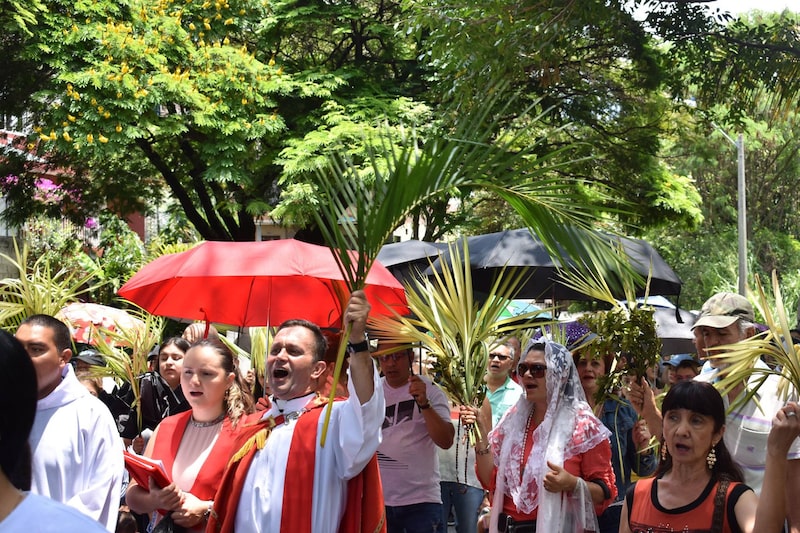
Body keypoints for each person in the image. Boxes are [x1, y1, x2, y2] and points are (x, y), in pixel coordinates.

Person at [207, 290, 386, 533]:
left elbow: (368, 410)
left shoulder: (333, 420)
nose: (280, 356)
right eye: (275, 350)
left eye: (293, 351)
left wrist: (357, 342)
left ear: (317, 369)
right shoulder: (252, 428)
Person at [628, 291, 800, 530]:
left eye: (722, 333)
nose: (712, 343)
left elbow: (793, 470)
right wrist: (648, 410)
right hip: (707, 521)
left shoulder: (781, 391)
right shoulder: (701, 386)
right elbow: (678, 444)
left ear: (748, 334)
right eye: (706, 334)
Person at [462, 339, 616, 532]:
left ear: (559, 376)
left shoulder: (584, 426)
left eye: (537, 369)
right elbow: (488, 479)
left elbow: (604, 492)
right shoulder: (513, 420)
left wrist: (572, 483)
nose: (527, 375)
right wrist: (481, 437)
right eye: (523, 368)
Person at [620, 380, 800, 533]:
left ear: (717, 434)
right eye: (673, 418)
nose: (682, 431)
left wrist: (777, 452)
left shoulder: (734, 498)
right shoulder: (637, 495)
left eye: (696, 420)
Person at [125, 338, 253, 531]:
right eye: (188, 372)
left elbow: (254, 504)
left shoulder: (247, 432)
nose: (194, 381)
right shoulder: (166, 426)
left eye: (206, 373)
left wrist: (207, 509)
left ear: (229, 380)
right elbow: (132, 494)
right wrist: (155, 500)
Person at [16, 314, 123, 531]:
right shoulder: (8, 408)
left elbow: (98, 497)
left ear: (63, 358)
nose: (22, 358)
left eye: (36, 350)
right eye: (17, 348)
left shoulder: (90, 414)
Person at [442, 339, 521, 533]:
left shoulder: (519, 395)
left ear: (512, 362)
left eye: (501, 357)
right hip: (451, 469)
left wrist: (490, 489)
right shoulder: (470, 390)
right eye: (491, 355)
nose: (495, 360)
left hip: (487, 475)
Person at [574, 347, 656, 533]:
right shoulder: (564, 411)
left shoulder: (624, 409)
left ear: (606, 370)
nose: (588, 369)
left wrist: (644, 447)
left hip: (616, 511)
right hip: (575, 511)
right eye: (582, 363)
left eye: (595, 363)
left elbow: (645, 469)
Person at [377, 340, 455, 533]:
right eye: (385, 357)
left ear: (411, 357)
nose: (391, 363)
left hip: (422, 502)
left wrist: (424, 404)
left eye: (397, 356)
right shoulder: (371, 392)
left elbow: (446, 440)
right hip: (379, 500)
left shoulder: (431, 390)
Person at [118, 336, 192, 443]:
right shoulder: (143, 384)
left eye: (176, 358)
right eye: (164, 358)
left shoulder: (197, 390)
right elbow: (124, 429)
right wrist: (133, 443)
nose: (169, 362)